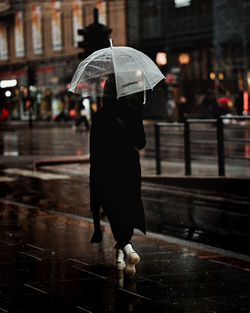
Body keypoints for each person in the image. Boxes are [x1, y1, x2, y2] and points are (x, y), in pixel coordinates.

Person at [89, 76, 146, 276]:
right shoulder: (132, 113)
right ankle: (125, 250)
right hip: (129, 168)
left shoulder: (100, 116)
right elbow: (141, 143)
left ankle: (124, 251)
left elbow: (94, 151)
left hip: (107, 170)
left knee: (114, 209)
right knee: (128, 207)